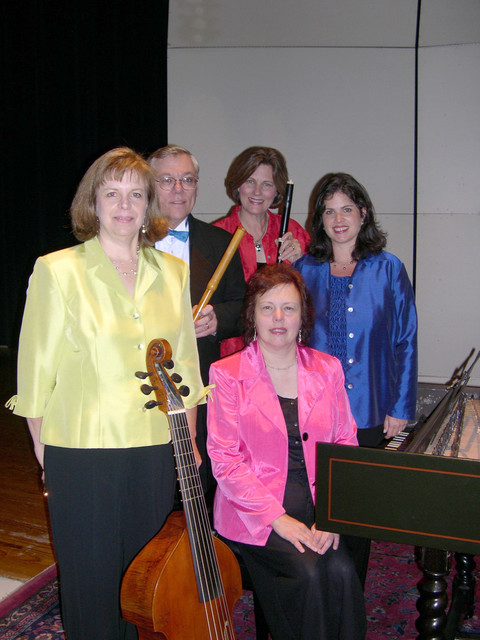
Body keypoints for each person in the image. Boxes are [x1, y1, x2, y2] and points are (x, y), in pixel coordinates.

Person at [6, 147, 206, 640]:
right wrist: (42, 446)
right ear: (93, 203)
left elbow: (184, 363)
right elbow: (36, 370)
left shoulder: (172, 273)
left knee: (141, 582)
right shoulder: (58, 270)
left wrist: (190, 440)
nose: (124, 204)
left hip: (156, 446)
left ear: (148, 205)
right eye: (112, 193)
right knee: (92, 582)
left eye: (136, 194)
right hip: (82, 450)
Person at [207, 263, 366, 640]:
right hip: (256, 512)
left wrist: (331, 515)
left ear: (303, 316)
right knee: (308, 573)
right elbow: (225, 460)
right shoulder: (226, 373)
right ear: (253, 315)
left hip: (317, 505)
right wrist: (277, 519)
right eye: (267, 307)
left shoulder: (327, 369)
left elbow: (346, 443)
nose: (278, 318)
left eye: (289, 308)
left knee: (343, 574)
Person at [295, 172, 418, 584]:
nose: (338, 218)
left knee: (354, 510)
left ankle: (351, 593)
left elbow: (405, 340)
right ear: (320, 220)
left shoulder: (389, 270)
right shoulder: (303, 270)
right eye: (329, 211)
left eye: (347, 208)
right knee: (312, 505)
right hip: (314, 412)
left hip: (368, 411)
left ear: (363, 213)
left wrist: (400, 407)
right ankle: (317, 589)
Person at [148, 144, 246, 505]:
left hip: (200, 386)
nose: (178, 189)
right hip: (141, 386)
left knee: (196, 481)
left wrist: (219, 318)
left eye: (187, 180)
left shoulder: (221, 242)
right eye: (167, 180)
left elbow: (244, 305)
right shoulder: (127, 241)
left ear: (197, 186)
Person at [214, 146, 310, 355]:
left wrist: (304, 262)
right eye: (250, 181)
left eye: (266, 184)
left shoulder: (293, 231)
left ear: (277, 190)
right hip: (234, 352)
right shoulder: (216, 235)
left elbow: (314, 295)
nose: (257, 192)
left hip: (286, 351)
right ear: (238, 185)